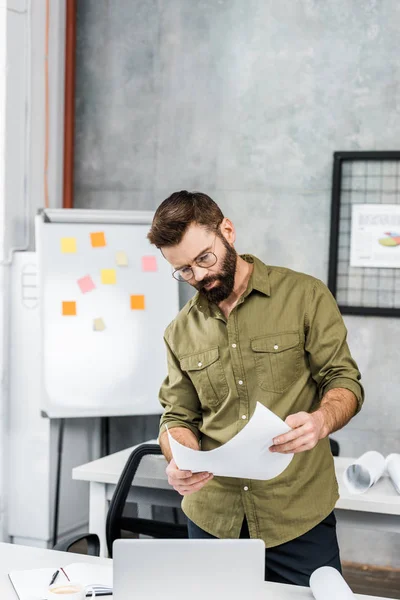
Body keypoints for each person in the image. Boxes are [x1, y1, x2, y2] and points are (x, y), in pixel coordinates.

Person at [147, 190, 364, 586]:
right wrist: (179, 457)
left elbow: (343, 380)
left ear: (227, 231)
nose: (199, 276)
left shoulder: (305, 295)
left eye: (204, 258)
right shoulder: (179, 331)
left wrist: (320, 421)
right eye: (184, 270)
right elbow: (177, 415)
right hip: (213, 516)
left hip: (297, 515)